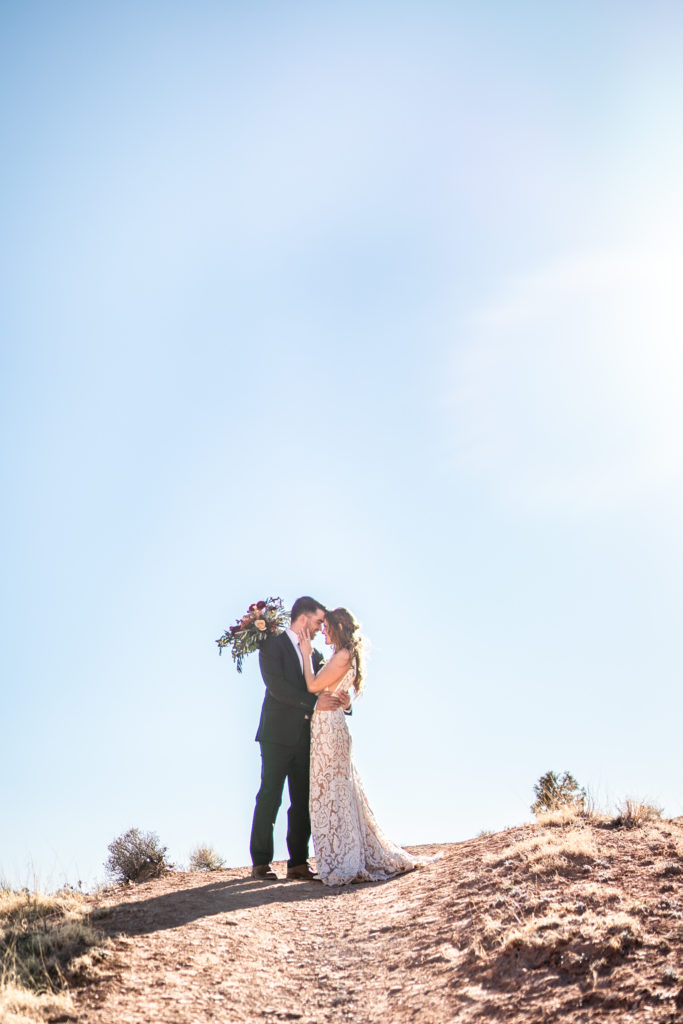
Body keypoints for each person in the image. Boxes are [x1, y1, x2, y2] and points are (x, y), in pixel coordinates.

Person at [300, 607, 436, 885]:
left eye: (326, 627)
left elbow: (313, 685)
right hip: (330, 725)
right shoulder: (346, 656)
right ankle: (341, 852)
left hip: (329, 729)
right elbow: (342, 695)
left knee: (333, 790)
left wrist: (304, 652)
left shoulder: (342, 656)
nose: (322, 631)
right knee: (337, 789)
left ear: (338, 627)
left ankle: (343, 857)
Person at [249, 596, 349, 881]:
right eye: (319, 622)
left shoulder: (314, 654)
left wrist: (345, 702)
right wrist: (313, 704)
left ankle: (297, 863)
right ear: (304, 618)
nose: (321, 628)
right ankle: (261, 862)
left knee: (303, 800)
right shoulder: (271, 646)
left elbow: (325, 685)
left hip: (307, 738)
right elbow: (277, 688)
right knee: (270, 796)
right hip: (276, 735)